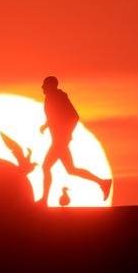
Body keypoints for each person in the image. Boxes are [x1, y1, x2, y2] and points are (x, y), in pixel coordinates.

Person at [37, 76, 112, 206]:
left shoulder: (59, 97)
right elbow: (55, 116)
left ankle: (44, 200)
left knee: (46, 166)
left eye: (45, 85)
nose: (42, 88)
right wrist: (46, 125)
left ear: (51, 86)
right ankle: (103, 182)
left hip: (60, 140)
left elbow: (74, 116)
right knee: (71, 169)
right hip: (58, 140)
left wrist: (66, 134)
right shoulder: (50, 99)